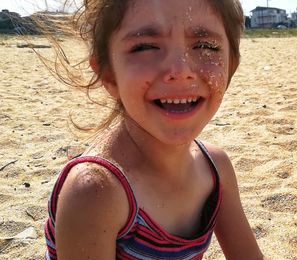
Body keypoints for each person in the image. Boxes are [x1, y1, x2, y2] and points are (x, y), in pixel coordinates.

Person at [44, 0, 266, 259]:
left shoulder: (216, 168)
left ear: (231, 66)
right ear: (109, 75)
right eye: (145, 46)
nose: (180, 70)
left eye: (205, 46)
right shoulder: (96, 192)